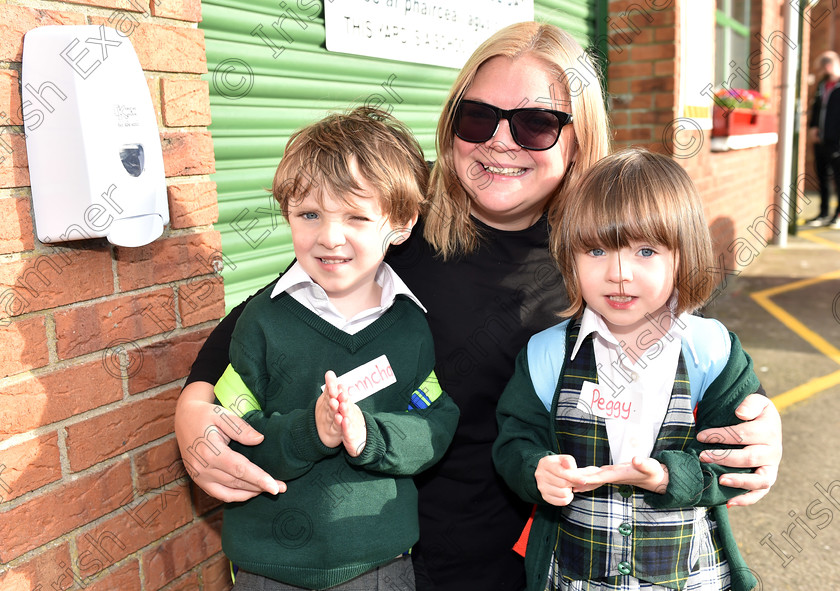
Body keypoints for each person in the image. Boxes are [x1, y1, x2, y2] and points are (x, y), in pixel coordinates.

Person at [175, 22, 783, 591]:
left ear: (578, 140)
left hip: (541, 561)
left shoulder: (602, 253)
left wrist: (760, 428)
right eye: (478, 116)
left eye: (536, 124)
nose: (499, 141)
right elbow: (248, 335)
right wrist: (195, 421)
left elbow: (692, 360)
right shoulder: (393, 217)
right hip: (375, 556)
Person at [212, 107, 460, 590]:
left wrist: (371, 437)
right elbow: (230, 434)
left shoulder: (411, 327)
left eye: (356, 217)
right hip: (270, 571)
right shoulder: (261, 322)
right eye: (310, 214)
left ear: (402, 222)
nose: (329, 237)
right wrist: (312, 431)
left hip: (381, 567)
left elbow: (435, 421)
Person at [493, 148, 763, 591]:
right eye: (597, 250)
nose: (619, 273)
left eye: (645, 250)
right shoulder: (546, 354)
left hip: (689, 577)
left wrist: (670, 477)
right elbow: (514, 439)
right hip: (576, 576)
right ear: (569, 257)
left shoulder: (710, 351)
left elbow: (739, 462)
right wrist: (536, 468)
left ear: (683, 254)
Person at [806, 50, 840, 228]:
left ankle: (838, 216)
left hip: (837, 142)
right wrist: (813, 127)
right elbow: (817, 107)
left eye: (823, 69)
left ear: (828, 66)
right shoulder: (822, 84)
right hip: (821, 140)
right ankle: (823, 213)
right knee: (822, 177)